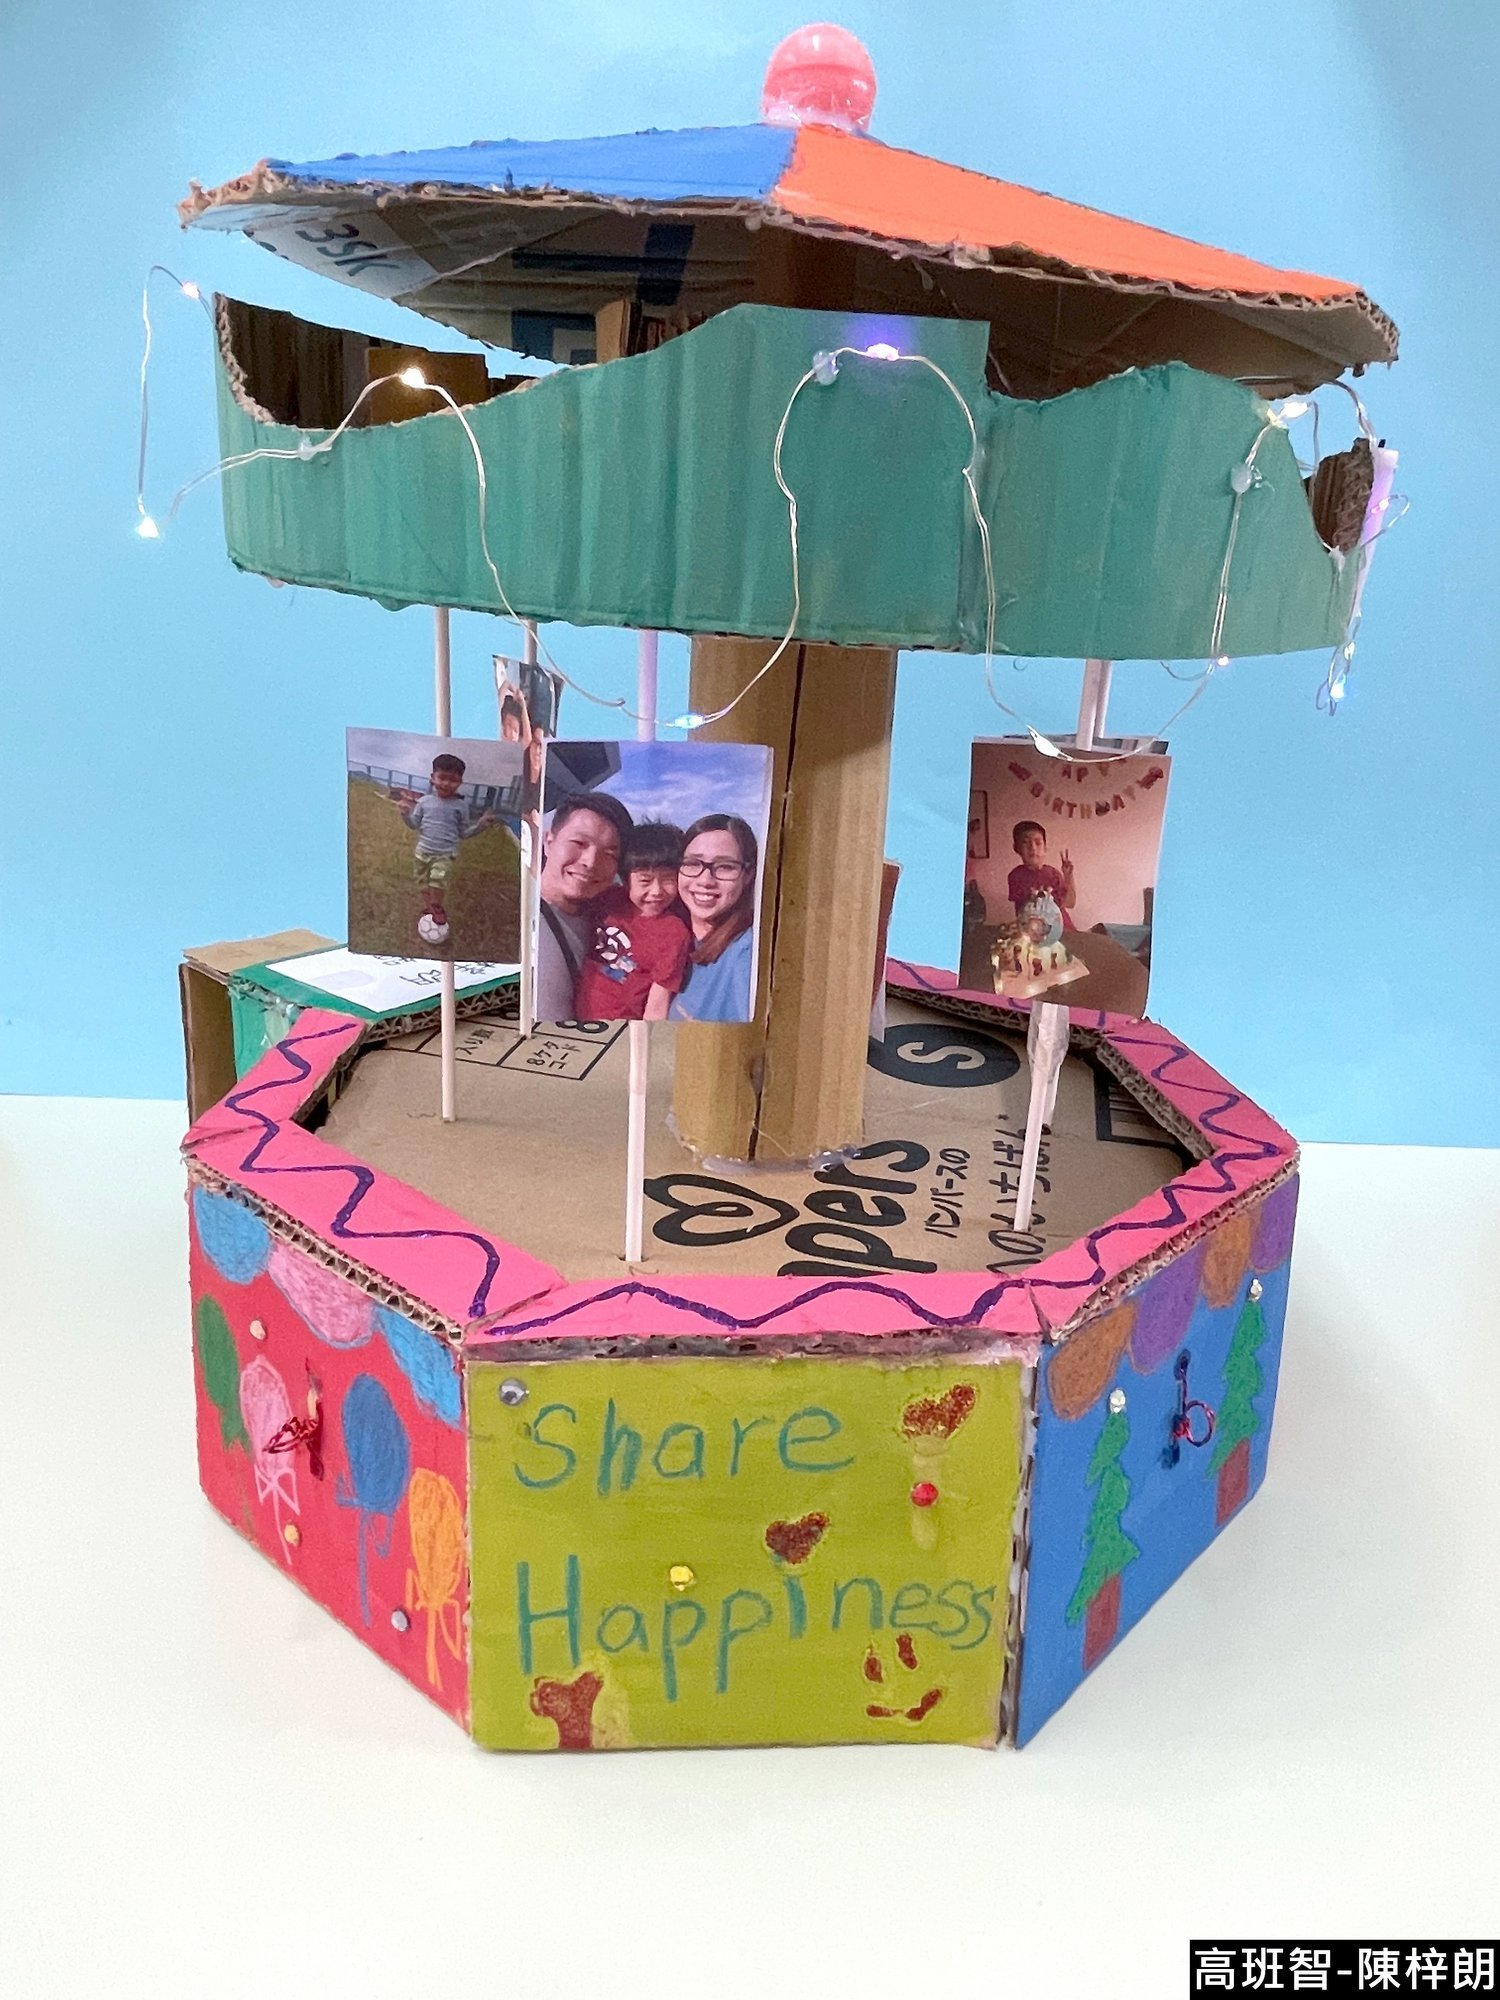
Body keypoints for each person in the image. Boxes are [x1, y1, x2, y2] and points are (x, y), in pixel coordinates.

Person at [573, 822, 691, 1022]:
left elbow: (657, 1006)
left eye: (668, 879)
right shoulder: (607, 899)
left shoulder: (674, 934)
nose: (657, 891)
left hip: (620, 1028)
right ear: (625, 879)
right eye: (645, 881)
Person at [535, 790, 633, 1020]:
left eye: (609, 854)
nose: (590, 862)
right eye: (579, 843)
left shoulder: (607, 920)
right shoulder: (513, 918)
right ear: (549, 842)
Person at [393, 753, 495, 947]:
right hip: (422, 853)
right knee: (423, 884)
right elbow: (414, 824)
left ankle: (437, 907)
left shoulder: (461, 806)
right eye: (442, 778)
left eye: (453, 780)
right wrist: (405, 814)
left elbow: (463, 833)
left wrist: (481, 825)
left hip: (445, 855)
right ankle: (430, 908)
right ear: (433, 778)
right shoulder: (424, 802)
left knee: (437, 881)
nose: (447, 783)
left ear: (460, 782)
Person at [668, 815, 759, 1023]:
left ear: (748, 875)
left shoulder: (746, 956)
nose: (705, 880)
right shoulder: (671, 936)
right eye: (693, 863)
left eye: (725, 866)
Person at [1006, 820, 1076, 930]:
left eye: (1038, 843)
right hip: (1034, 931)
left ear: (1045, 848)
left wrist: (1068, 876)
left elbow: (1070, 903)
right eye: (1025, 843)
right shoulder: (1016, 876)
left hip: (1063, 929)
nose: (1033, 848)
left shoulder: (1053, 874)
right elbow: (1021, 913)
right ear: (1017, 848)